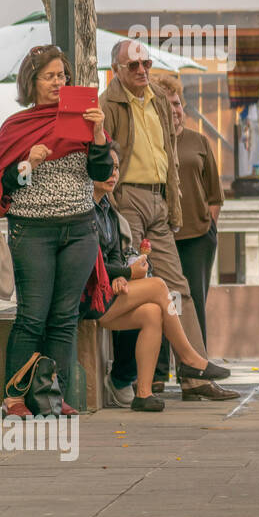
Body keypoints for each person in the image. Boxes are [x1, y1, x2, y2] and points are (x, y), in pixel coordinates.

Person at [0, 45, 113, 418]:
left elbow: (101, 174)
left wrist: (100, 134)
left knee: (64, 316)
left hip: (79, 229)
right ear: (32, 82)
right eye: (50, 76)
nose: (59, 82)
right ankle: (14, 398)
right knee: (32, 315)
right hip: (33, 231)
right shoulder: (16, 126)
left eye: (63, 75)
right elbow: (5, 186)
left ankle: (52, 396)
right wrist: (28, 163)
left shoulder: (83, 120)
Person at [102, 40, 232, 397]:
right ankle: (127, 379)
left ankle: (195, 374)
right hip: (127, 196)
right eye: (133, 66)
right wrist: (113, 204)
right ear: (117, 70)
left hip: (158, 199)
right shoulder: (108, 103)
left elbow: (169, 153)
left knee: (179, 288)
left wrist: (171, 199)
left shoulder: (158, 97)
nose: (142, 71)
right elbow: (104, 156)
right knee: (133, 287)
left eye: (146, 64)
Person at [89, 145, 228, 411]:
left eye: (117, 168)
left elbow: (113, 258)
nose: (113, 174)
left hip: (109, 293)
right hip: (88, 297)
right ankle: (188, 357)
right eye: (107, 167)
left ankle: (143, 393)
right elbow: (87, 263)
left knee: (153, 312)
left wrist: (120, 275)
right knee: (159, 285)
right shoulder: (85, 211)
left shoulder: (109, 211)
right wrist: (126, 274)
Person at [148, 73, 224, 354]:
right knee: (161, 304)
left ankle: (195, 370)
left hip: (198, 238)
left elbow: (215, 194)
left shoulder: (200, 142)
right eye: (167, 105)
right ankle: (157, 372)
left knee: (193, 303)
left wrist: (209, 227)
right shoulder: (150, 145)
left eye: (178, 104)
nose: (175, 111)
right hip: (159, 238)